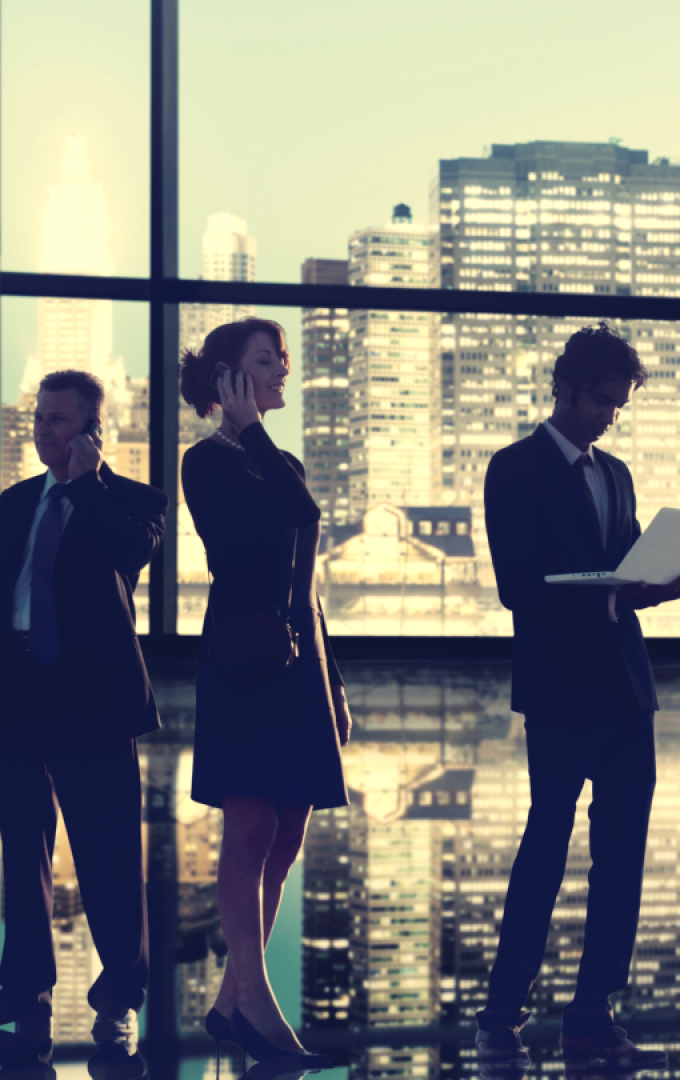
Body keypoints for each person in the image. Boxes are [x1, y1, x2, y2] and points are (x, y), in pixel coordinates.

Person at [476, 324, 680, 1069]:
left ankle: (593, 1009)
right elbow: (517, 589)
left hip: (627, 690)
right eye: (604, 401)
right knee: (545, 847)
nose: (611, 415)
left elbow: (621, 574)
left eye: (621, 405)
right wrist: (611, 599)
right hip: (562, 688)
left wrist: (650, 591)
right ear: (565, 387)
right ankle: (502, 1008)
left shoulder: (619, 474)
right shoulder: (513, 469)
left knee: (623, 857)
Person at [179, 320, 346, 1071]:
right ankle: (257, 1004)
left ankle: (227, 999)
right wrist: (244, 431)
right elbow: (272, 532)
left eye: (282, 360)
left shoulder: (284, 460)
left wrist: (333, 680)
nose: (283, 369)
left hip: (300, 661)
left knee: (287, 835)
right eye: (264, 362)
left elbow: (308, 581)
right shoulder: (205, 462)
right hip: (245, 661)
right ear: (227, 381)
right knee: (248, 826)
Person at [0, 370, 163, 1063]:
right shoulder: (10, 504)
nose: (44, 429)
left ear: (94, 431)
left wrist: (90, 484)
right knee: (23, 855)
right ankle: (25, 994)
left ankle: (120, 995)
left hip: (92, 696)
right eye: (40, 418)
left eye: (60, 420)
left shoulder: (130, 501)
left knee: (108, 856)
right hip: (17, 688)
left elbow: (126, 557)